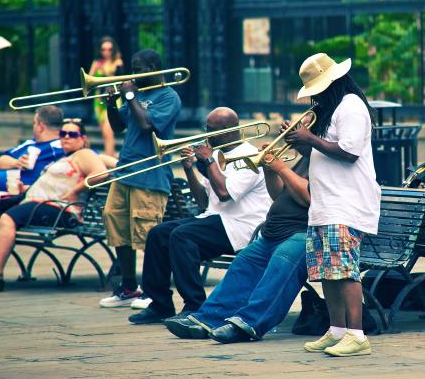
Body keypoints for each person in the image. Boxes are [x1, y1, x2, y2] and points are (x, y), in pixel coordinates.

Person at [127, 107, 271, 324]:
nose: (205, 135)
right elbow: (204, 202)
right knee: (158, 234)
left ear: (227, 131)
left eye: (209, 130)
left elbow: (224, 194)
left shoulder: (250, 156)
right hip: (217, 218)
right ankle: (160, 304)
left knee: (182, 236)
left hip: (242, 226)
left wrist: (208, 161)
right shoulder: (218, 155)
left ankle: (194, 304)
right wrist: (188, 169)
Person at [283, 53, 380, 357]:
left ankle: (357, 334)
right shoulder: (330, 110)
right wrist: (301, 141)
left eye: (318, 89)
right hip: (325, 205)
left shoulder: (351, 106)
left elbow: (349, 152)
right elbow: (324, 150)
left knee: (346, 271)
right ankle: (337, 330)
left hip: (346, 204)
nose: (315, 96)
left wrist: (309, 138)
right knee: (328, 271)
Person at [164, 152, 310, 343]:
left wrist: (281, 167)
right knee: (244, 263)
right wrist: (270, 170)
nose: (289, 129)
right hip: (275, 231)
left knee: (283, 259)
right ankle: (209, 318)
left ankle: (249, 323)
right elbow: (278, 194)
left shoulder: (326, 158)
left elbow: (308, 198)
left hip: (307, 232)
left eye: (302, 127)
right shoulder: (307, 156)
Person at [0, 120, 109, 292]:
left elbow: (101, 173)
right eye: (63, 134)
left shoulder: (84, 154)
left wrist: (75, 191)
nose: (66, 137)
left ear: (83, 138)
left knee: (7, 218)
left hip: (60, 208)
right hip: (38, 202)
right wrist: (23, 188)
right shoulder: (64, 158)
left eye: (72, 134)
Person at [99, 49, 182, 308]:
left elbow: (147, 126)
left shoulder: (169, 96)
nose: (133, 74)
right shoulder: (137, 95)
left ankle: (151, 291)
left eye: (139, 68)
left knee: (147, 234)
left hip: (151, 174)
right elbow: (119, 126)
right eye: (132, 68)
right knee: (117, 226)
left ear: (154, 67)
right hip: (125, 170)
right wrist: (112, 103)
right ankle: (128, 286)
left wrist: (131, 95)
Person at [0, 105, 64, 280]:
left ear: (40, 125)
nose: (33, 127)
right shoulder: (30, 143)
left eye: (33, 123)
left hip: (15, 194)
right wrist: (17, 162)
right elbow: (0, 161)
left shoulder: (60, 146)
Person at [89, 36, 124, 157]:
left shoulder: (117, 62)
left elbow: (120, 81)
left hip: (112, 99)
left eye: (109, 49)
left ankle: (109, 160)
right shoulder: (96, 62)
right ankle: (112, 156)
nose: (106, 52)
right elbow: (90, 79)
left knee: (108, 132)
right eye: (103, 49)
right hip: (98, 99)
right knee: (104, 134)